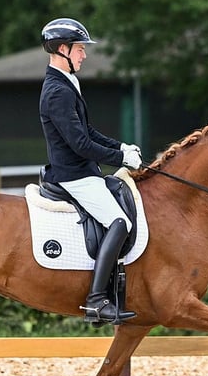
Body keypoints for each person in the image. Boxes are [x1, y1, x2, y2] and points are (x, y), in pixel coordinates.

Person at [39, 17, 142, 325]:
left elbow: (88, 130)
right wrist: (120, 159)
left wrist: (122, 147)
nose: (84, 55)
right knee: (119, 221)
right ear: (62, 49)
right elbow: (81, 144)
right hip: (74, 174)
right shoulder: (57, 91)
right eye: (80, 49)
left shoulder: (67, 83)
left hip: (83, 169)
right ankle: (97, 300)